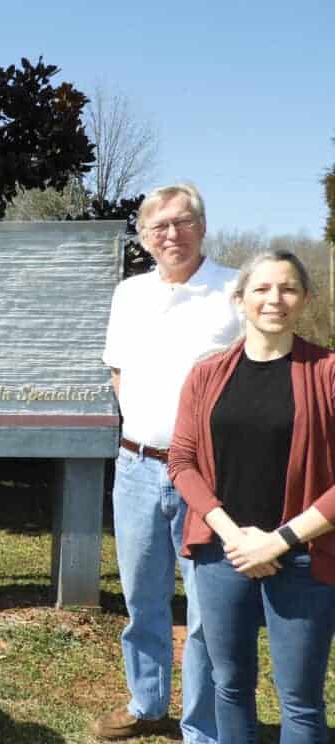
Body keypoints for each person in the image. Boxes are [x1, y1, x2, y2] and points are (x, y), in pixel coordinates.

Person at [94, 184, 241, 743]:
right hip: (135, 468)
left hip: (208, 475)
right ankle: (146, 700)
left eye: (182, 223)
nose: (171, 234)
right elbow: (118, 371)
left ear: (202, 227)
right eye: (158, 227)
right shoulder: (129, 294)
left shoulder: (233, 290)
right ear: (144, 237)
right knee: (142, 598)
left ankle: (201, 726)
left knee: (205, 611)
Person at [168, 251, 335, 743]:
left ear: (304, 299)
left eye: (287, 288)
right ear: (240, 299)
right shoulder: (206, 375)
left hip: (305, 555)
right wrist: (233, 535)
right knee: (230, 685)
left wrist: (278, 541)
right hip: (224, 555)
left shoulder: (326, 372)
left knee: (301, 702)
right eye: (261, 289)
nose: (274, 299)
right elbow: (182, 460)